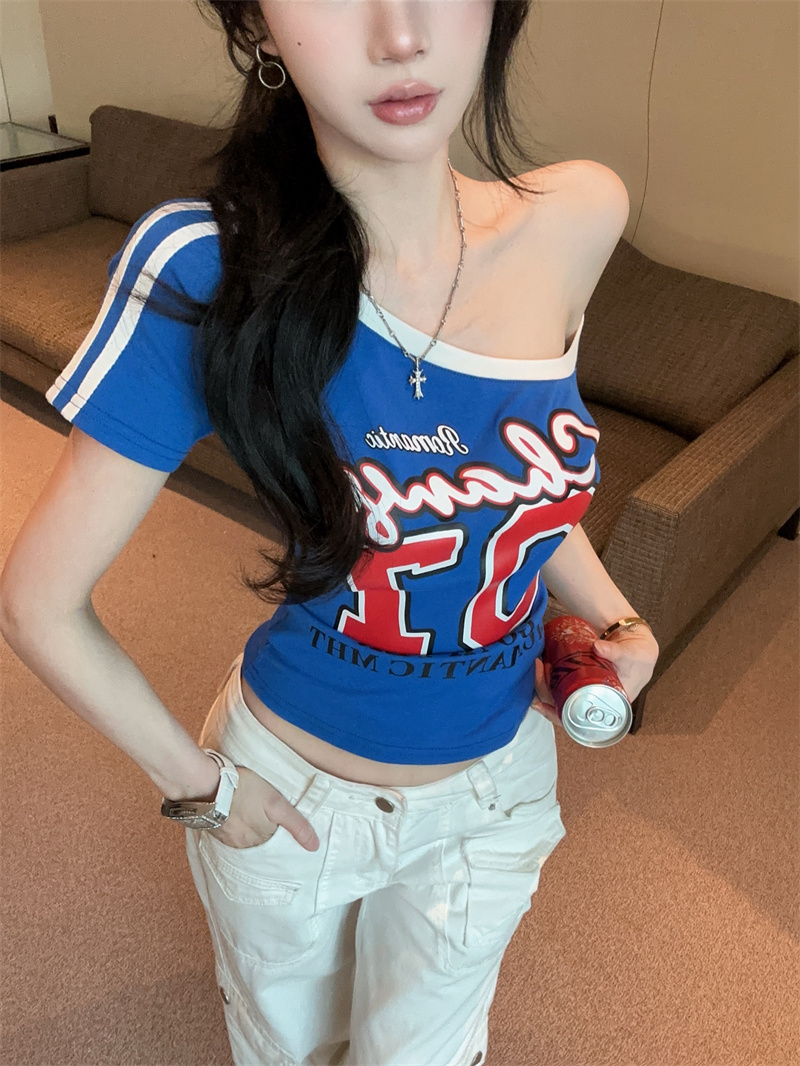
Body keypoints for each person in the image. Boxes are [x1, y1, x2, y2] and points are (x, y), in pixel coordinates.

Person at [0, 1, 660, 1064]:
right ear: (257, 23)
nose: (400, 35)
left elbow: (523, 496)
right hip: (292, 795)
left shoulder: (577, 216)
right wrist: (203, 790)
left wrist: (617, 619)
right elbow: (38, 603)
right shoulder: (206, 265)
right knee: (288, 1050)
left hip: (495, 790)